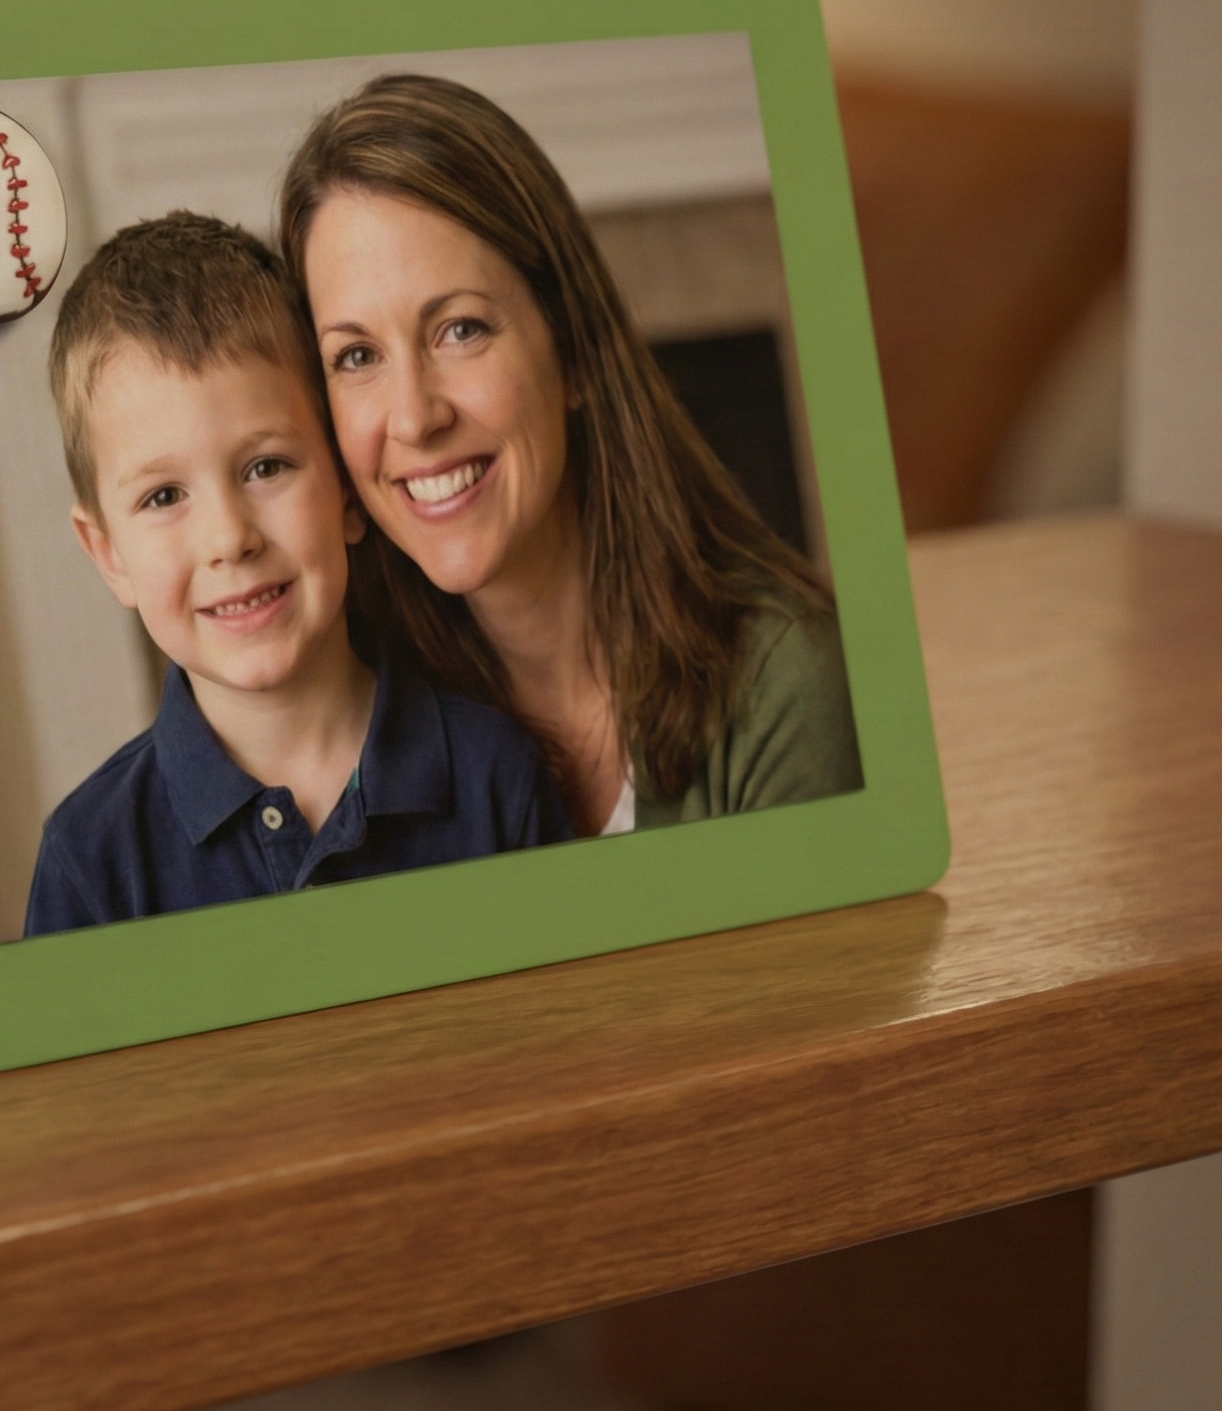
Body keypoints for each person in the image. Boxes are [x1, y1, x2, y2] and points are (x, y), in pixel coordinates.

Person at [278, 73, 862, 839]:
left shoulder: (788, 684)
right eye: (356, 355)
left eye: (461, 330)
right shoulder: (352, 727)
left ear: (576, 351)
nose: (415, 418)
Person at [23, 211, 571, 937]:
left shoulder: (494, 774)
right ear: (109, 555)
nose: (229, 538)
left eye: (265, 468)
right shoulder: (91, 859)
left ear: (347, 490)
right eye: (163, 497)